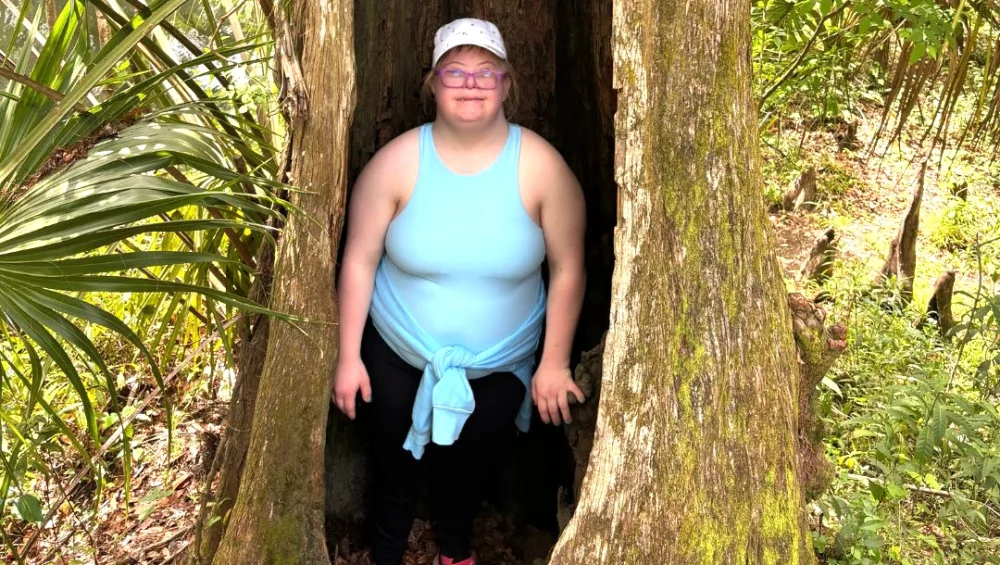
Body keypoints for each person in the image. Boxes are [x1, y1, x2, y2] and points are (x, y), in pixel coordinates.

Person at [332, 17, 586, 565]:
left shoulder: (542, 167)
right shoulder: (397, 163)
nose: (470, 83)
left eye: (485, 71)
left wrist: (555, 363)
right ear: (433, 83)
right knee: (395, 467)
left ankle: (454, 550)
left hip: (501, 361)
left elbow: (569, 267)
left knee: (469, 466)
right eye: (455, 71)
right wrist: (348, 356)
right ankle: (387, 551)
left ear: (506, 83)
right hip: (398, 351)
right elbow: (358, 259)